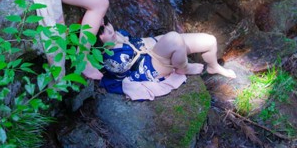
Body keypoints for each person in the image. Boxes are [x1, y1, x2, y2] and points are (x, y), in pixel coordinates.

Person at [97, 22, 236, 101]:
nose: (110, 29)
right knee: (174, 38)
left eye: (107, 23)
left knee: (210, 40)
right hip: (150, 65)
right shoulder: (111, 59)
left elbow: (137, 43)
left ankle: (214, 66)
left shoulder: (115, 36)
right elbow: (128, 69)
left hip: (152, 46)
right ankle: (184, 68)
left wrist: (156, 43)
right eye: (102, 30)